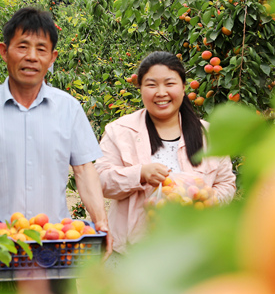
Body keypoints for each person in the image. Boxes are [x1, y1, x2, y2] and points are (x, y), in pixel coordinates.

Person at [0, 7, 111, 294]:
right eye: (23, 46)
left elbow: (85, 171)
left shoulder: (69, 109)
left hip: (55, 247)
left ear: (52, 58)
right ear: (4, 52)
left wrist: (101, 222)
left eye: (41, 49)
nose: (32, 56)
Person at [95, 51, 236, 256]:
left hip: (193, 252)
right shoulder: (120, 131)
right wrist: (140, 174)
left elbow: (226, 184)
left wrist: (205, 199)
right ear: (140, 88)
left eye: (169, 84)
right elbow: (101, 181)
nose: (161, 92)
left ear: (183, 87)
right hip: (133, 255)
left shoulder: (209, 135)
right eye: (151, 85)